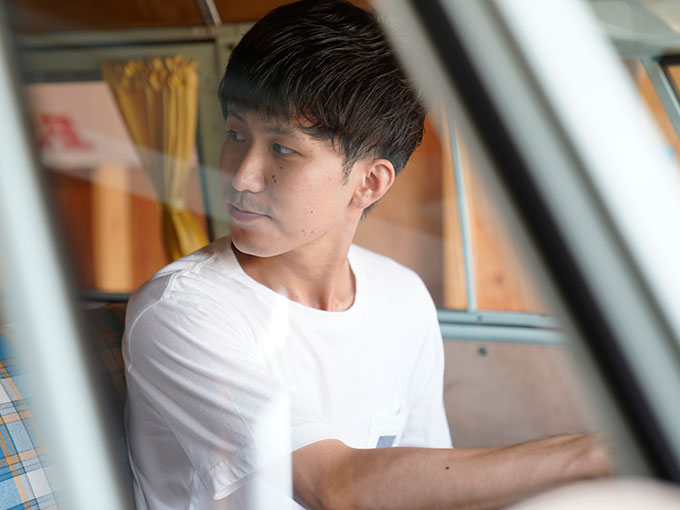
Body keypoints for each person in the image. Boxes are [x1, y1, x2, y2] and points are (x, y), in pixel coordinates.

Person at [122, 1, 610, 508]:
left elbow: (427, 490)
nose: (241, 177)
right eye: (236, 134)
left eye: (282, 149)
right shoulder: (181, 310)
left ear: (369, 183)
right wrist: (591, 456)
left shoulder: (402, 296)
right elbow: (337, 487)